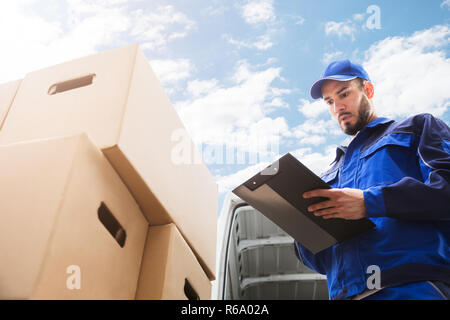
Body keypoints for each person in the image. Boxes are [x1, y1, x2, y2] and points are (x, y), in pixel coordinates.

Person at [293, 59, 450, 300]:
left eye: (344, 94)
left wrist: (370, 202)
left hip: (412, 288)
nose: (338, 107)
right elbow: (320, 261)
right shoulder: (328, 176)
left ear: (368, 90)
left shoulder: (416, 129)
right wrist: (304, 235)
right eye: (329, 102)